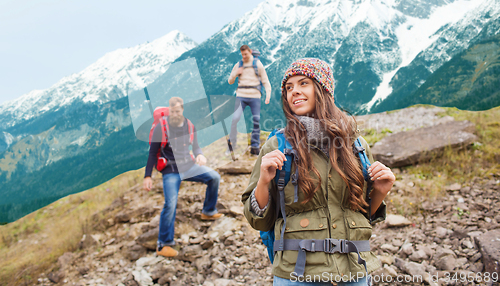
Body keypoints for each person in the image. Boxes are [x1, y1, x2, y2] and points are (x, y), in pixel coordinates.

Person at [241, 58, 396, 285]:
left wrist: (380, 192)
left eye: (303, 83)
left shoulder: (357, 145)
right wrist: (263, 182)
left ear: (323, 90)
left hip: (354, 271)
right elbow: (259, 221)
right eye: (288, 87)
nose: (294, 92)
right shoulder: (277, 145)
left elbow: (361, 217)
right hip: (297, 274)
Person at [143, 96, 223, 258]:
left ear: (182, 110)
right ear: (169, 111)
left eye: (178, 111)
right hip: (170, 170)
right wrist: (147, 176)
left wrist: (200, 155)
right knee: (170, 203)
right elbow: (152, 153)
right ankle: (163, 244)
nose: (175, 114)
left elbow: (196, 146)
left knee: (214, 177)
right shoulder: (161, 127)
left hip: (188, 166)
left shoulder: (189, 125)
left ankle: (208, 211)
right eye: (172, 111)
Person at [228, 45, 272, 155]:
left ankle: (255, 146)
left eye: (246, 54)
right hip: (241, 95)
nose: (244, 56)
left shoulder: (257, 64)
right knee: (235, 119)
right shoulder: (239, 65)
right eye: (242, 54)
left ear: (250, 52)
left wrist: (268, 95)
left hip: (255, 96)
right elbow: (230, 81)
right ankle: (231, 144)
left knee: (256, 120)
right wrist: (235, 73)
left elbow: (265, 81)